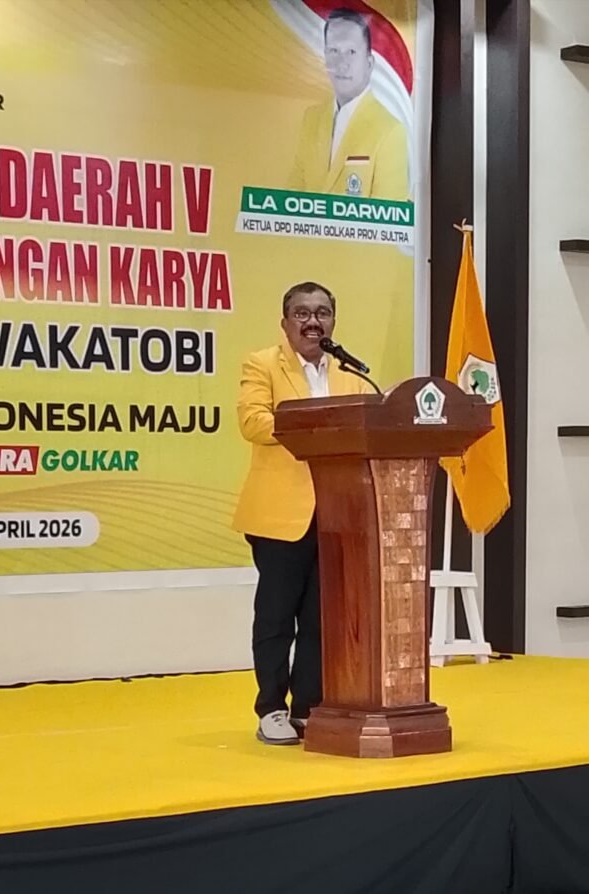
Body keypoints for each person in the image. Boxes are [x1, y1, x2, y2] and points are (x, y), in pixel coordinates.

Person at [233, 282, 372, 745]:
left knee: (319, 619)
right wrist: (320, 426)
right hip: (281, 515)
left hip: (337, 514)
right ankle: (271, 708)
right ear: (285, 322)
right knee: (276, 617)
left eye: (322, 313)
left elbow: (367, 426)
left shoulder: (351, 372)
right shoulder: (262, 364)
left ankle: (307, 706)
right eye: (302, 313)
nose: (313, 321)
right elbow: (254, 422)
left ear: (333, 320)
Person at [288, 7, 409, 200]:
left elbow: (388, 215)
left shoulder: (391, 131)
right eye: (334, 51)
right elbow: (292, 198)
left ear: (369, 63)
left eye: (351, 52)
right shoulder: (311, 118)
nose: (341, 63)